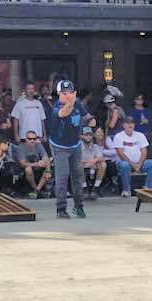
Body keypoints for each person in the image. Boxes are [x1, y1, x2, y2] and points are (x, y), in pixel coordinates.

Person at [47, 80, 95, 219]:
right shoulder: (57, 107)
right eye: (64, 93)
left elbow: (91, 121)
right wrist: (72, 102)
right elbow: (63, 113)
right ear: (59, 94)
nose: (68, 95)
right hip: (59, 146)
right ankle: (61, 208)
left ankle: (79, 206)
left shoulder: (78, 104)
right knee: (62, 176)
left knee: (78, 175)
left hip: (75, 144)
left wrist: (89, 120)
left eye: (70, 93)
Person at [112, 116, 152, 196]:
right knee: (124, 165)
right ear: (123, 125)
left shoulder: (140, 135)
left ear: (134, 125)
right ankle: (126, 190)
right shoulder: (118, 136)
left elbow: (144, 151)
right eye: (127, 123)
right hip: (125, 163)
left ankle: (150, 187)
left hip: (139, 163)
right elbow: (121, 154)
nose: (130, 125)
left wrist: (139, 164)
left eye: (132, 123)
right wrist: (133, 165)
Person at [13, 131, 51, 198]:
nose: (32, 141)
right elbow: (23, 164)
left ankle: (37, 190)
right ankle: (35, 189)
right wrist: (37, 164)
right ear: (26, 139)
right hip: (23, 170)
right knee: (28, 169)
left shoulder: (39, 145)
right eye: (30, 139)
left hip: (37, 168)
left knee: (47, 166)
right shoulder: (20, 147)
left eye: (34, 139)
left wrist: (48, 171)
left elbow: (46, 158)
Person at [80, 126, 107, 199]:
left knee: (103, 165)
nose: (88, 137)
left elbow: (101, 158)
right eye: (86, 135)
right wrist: (88, 162)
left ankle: (96, 187)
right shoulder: (78, 146)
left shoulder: (95, 146)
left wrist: (95, 160)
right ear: (82, 136)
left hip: (93, 166)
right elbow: (75, 160)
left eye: (90, 135)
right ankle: (84, 188)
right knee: (78, 165)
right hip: (82, 166)